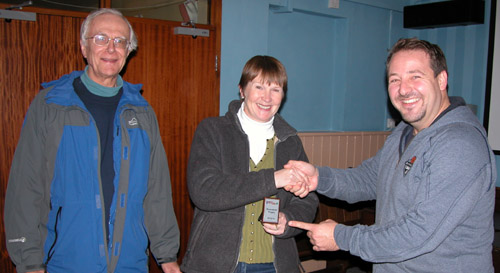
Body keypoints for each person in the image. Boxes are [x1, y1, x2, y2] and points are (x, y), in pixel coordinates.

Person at [286, 38, 496, 272]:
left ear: (441, 80)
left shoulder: (460, 144)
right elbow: (368, 179)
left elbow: (418, 234)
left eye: (415, 76)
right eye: (395, 80)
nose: (404, 89)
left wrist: (342, 237)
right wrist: (318, 178)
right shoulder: (405, 131)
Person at [4, 8, 180, 273]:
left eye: (120, 41)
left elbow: (157, 192)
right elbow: (26, 189)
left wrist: (167, 256)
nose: (111, 48)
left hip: (129, 265)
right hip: (65, 263)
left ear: (128, 51)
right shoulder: (51, 106)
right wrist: (29, 262)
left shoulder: (141, 112)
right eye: (101, 38)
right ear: (84, 47)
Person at [180, 55, 318, 273]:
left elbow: (308, 201)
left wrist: (287, 221)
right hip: (216, 263)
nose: (267, 97)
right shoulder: (213, 131)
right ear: (242, 90)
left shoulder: (290, 142)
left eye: (276, 89)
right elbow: (204, 192)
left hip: (273, 265)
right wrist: (274, 178)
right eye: (259, 87)